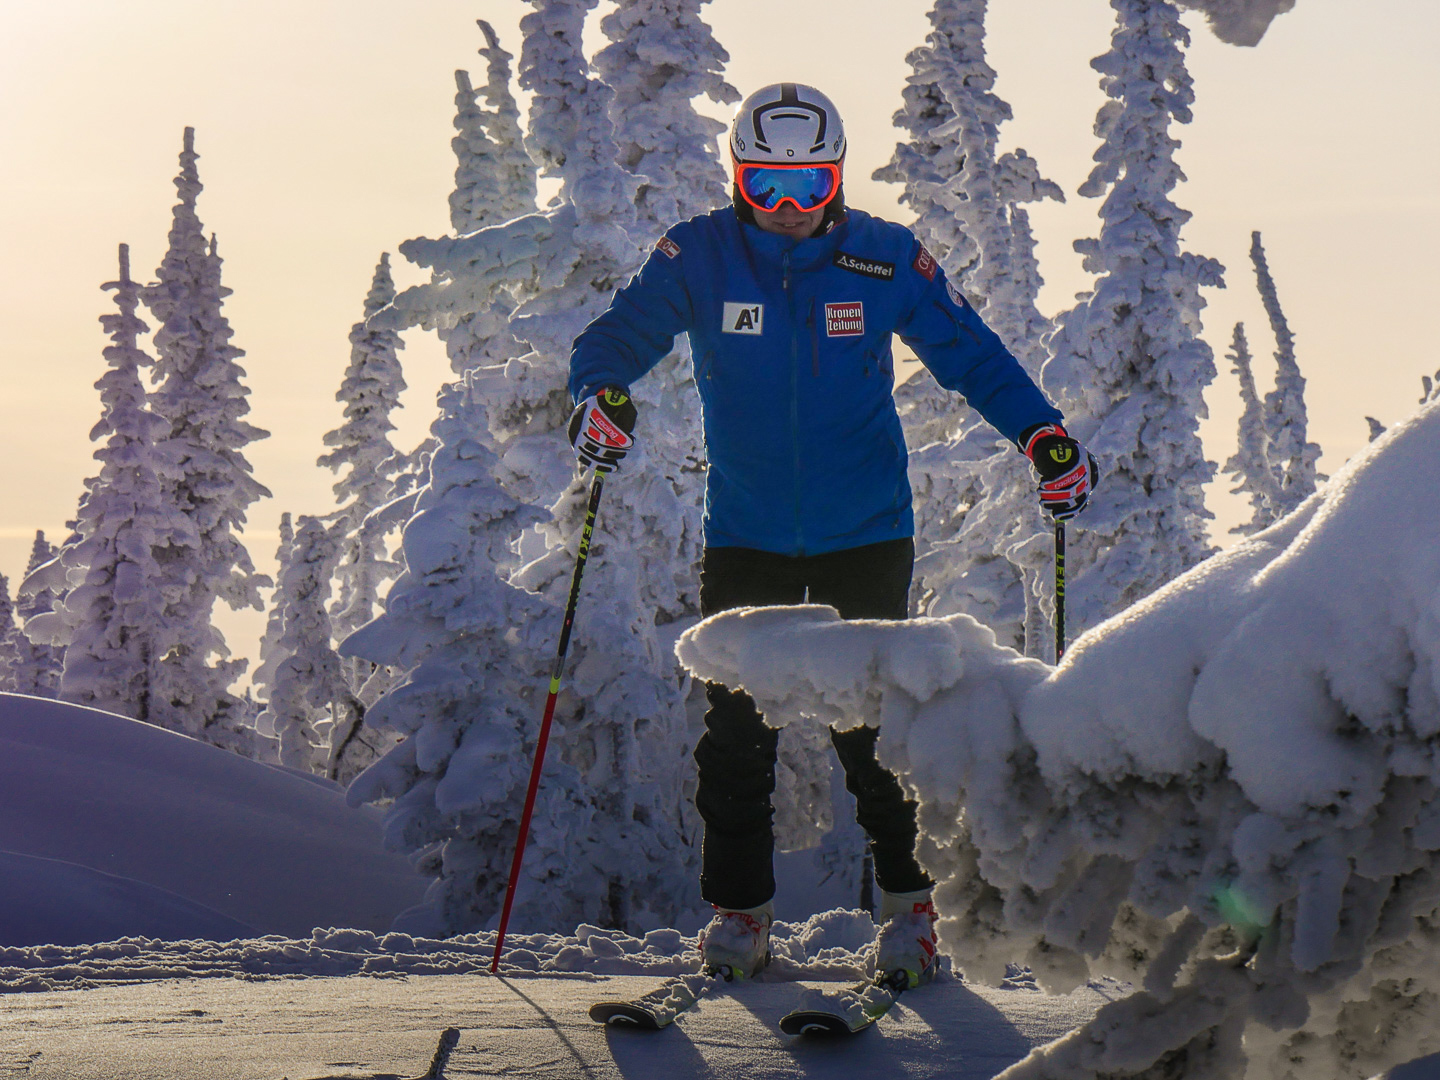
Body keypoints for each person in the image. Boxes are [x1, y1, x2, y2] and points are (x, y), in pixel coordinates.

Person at [566, 83, 1096, 987]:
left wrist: (1040, 434)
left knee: (878, 731)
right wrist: (599, 398)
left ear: (836, 179)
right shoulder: (698, 255)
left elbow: (971, 353)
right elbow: (617, 336)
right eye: (766, 185)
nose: (786, 209)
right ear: (739, 178)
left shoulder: (882, 259)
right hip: (748, 533)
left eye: (808, 185)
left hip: (865, 533)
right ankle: (741, 914)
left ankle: (909, 912)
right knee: (736, 731)